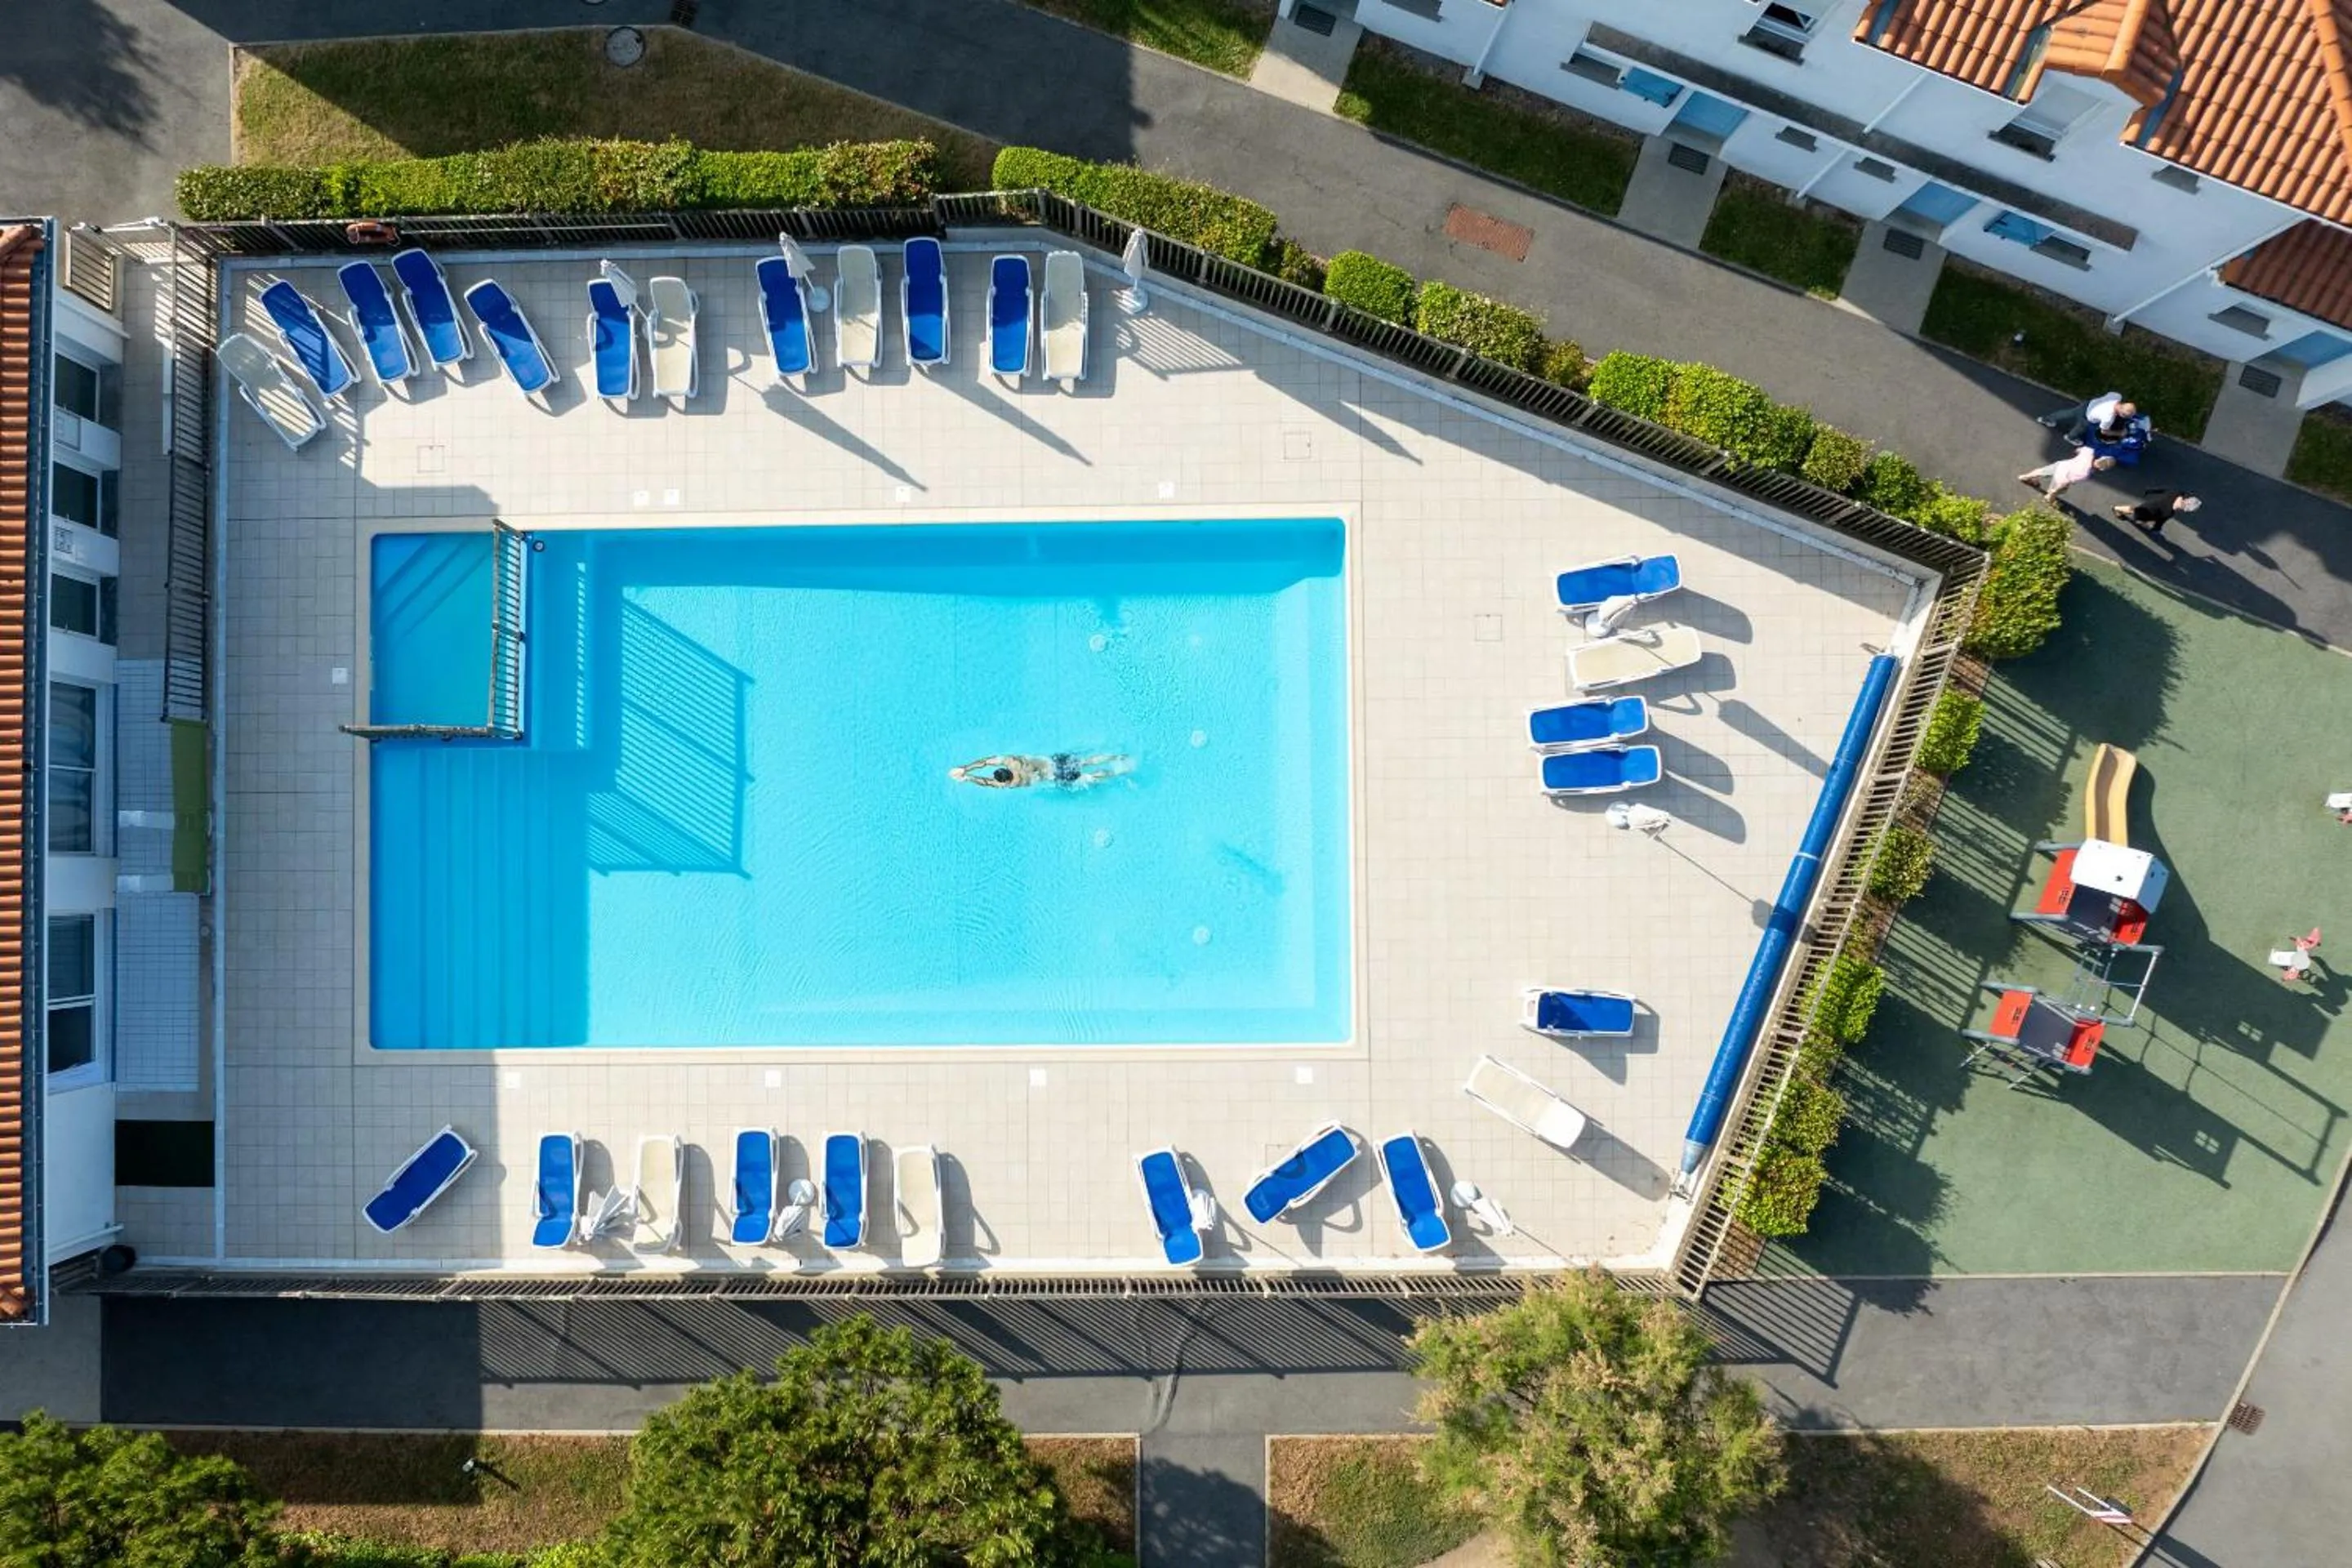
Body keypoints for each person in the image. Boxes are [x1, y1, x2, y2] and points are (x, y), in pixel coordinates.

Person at [950, 753, 1129, 790]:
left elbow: (986, 782)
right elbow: (985, 761)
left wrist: (967, 778)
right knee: (1086, 761)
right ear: (1004, 768)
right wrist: (965, 767)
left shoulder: (1014, 783)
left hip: (1055, 775)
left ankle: (1119, 773)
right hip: (1053, 762)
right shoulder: (1012, 761)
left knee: (1087, 777)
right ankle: (1117, 758)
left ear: (1004, 780)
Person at [2038, 390, 2136, 446]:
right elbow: (2104, 432)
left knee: (2068, 413)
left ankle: (2047, 419)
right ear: (2122, 415)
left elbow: (2107, 394)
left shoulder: (2117, 396)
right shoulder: (2108, 418)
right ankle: (2070, 437)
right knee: (2080, 428)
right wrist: (2120, 433)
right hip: (2087, 417)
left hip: (2087, 405)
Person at [2017, 448, 2115, 501]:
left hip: (2061, 465)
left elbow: (2078, 450)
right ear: (2102, 469)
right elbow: (2068, 481)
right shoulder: (2085, 473)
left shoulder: (2089, 452)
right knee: (2059, 490)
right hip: (2062, 478)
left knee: (2042, 471)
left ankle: (2025, 477)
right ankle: (2049, 497)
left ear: (2100, 458)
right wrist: (2056, 491)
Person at [2111, 490, 2202, 538]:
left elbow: (2162, 489)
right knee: (2134, 513)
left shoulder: (2177, 493)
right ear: (2186, 508)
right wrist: (2156, 530)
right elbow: (2160, 521)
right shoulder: (2170, 512)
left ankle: (2117, 509)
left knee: (2135, 510)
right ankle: (2116, 509)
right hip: (2149, 514)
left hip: (2149, 505)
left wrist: (2150, 490)